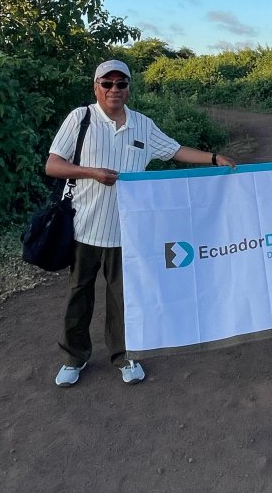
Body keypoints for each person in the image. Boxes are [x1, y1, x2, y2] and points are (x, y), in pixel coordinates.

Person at [46, 59, 237, 389]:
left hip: (128, 232)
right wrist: (91, 172)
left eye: (121, 84)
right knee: (79, 295)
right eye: (107, 83)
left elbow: (175, 151)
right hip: (84, 227)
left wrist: (214, 158)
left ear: (129, 88)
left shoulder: (142, 125)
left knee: (125, 299)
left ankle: (125, 356)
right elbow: (53, 165)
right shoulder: (81, 118)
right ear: (96, 87)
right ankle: (74, 357)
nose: (114, 89)